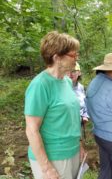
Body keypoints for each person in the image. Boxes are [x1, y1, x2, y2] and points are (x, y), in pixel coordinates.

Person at [24, 31, 86, 179]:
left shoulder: (65, 81)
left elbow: (70, 117)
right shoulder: (40, 85)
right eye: (73, 55)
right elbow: (32, 130)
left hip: (72, 151)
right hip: (54, 157)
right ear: (57, 57)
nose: (76, 59)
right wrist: (46, 168)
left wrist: (79, 145)